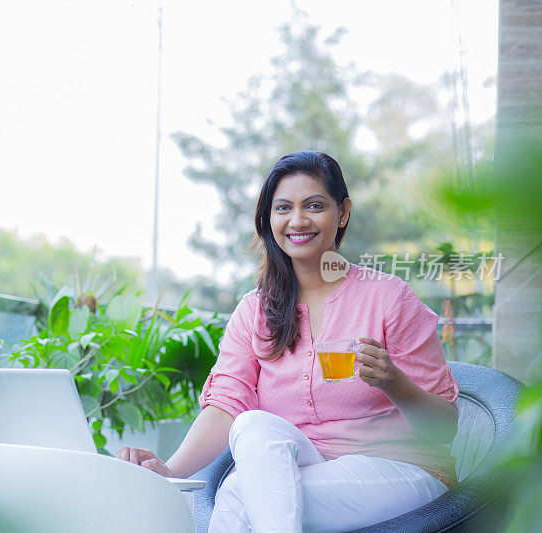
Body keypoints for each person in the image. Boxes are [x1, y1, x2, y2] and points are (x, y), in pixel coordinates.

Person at [116, 151, 459, 532]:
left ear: (342, 212)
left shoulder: (389, 298)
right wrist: (170, 470)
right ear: (269, 219)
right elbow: (226, 406)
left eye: (314, 205)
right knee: (253, 426)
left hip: (402, 470)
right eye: (283, 208)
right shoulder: (255, 310)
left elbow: (444, 427)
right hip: (305, 466)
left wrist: (392, 380)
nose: (297, 220)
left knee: (239, 495)